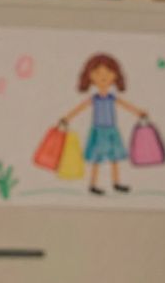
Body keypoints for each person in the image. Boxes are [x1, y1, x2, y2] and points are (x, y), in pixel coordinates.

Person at [61, 53, 147, 195]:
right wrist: (67, 118)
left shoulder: (112, 97)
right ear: (90, 76)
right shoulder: (94, 98)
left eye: (108, 72)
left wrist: (138, 112)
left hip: (112, 131)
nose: (103, 76)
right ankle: (93, 184)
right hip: (98, 131)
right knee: (97, 159)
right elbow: (80, 108)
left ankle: (116, 183)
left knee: (114, 159)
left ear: (115, 75)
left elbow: (125, 105)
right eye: (97, 73)